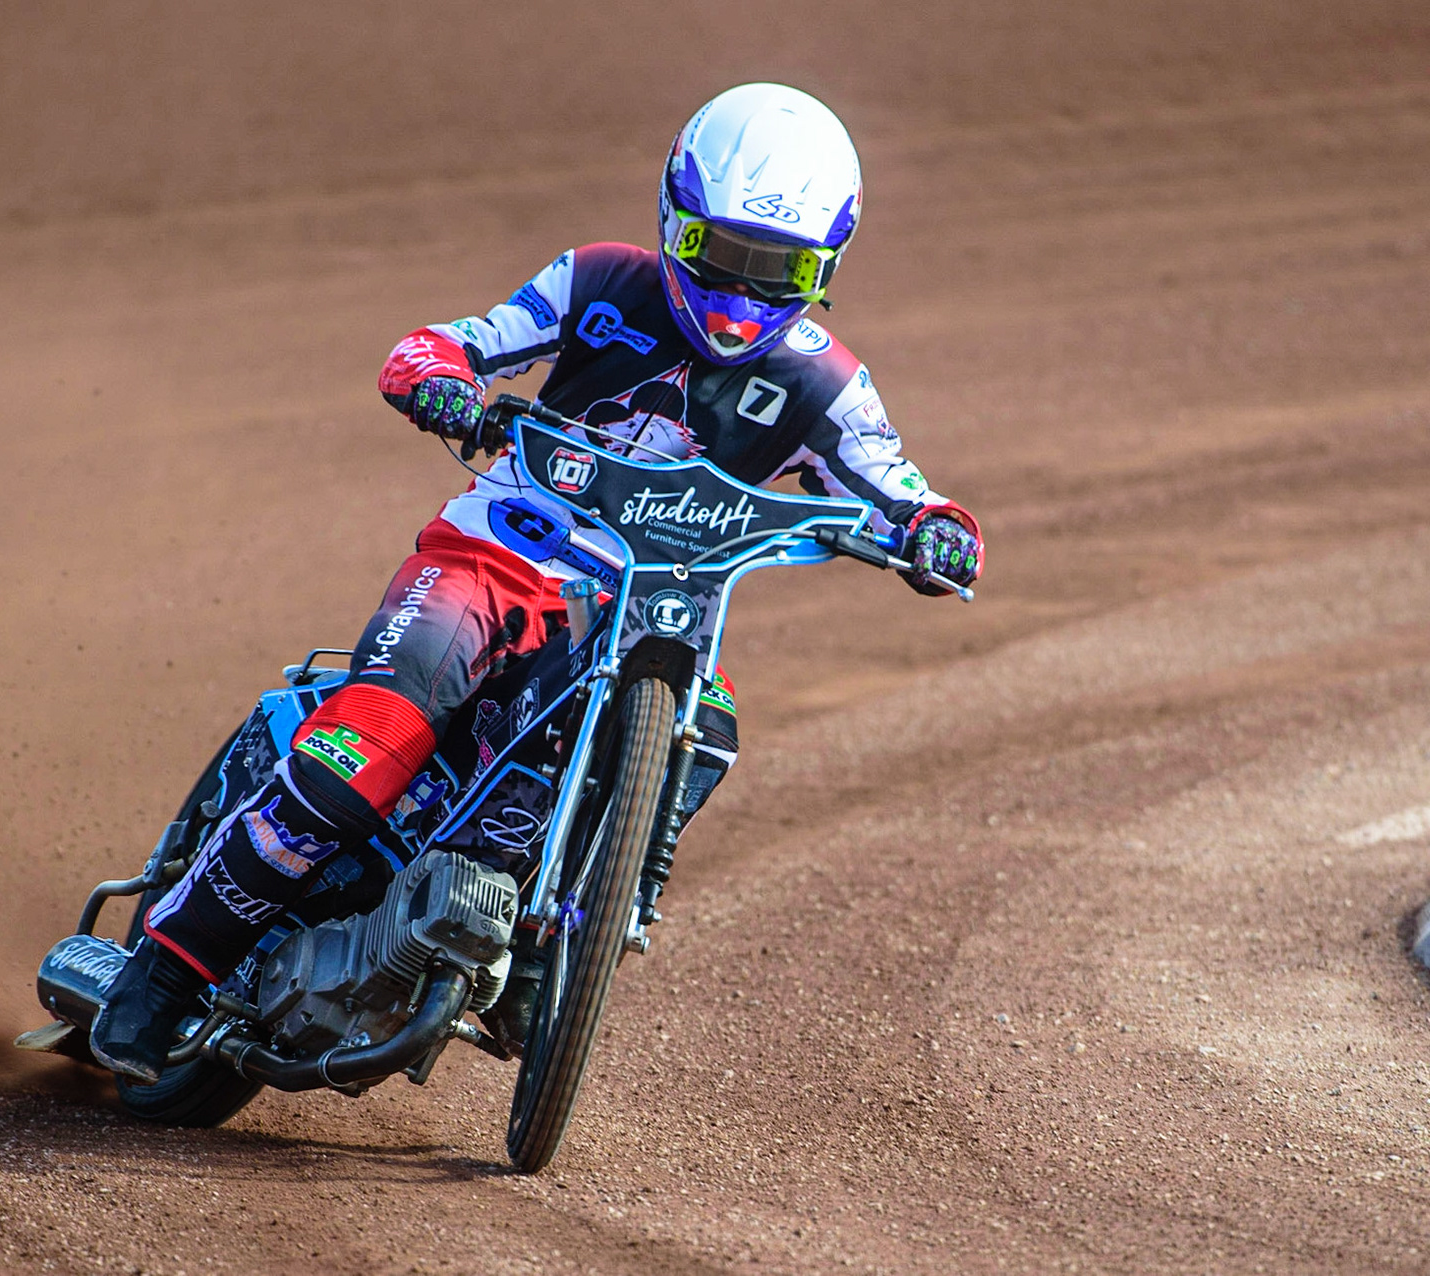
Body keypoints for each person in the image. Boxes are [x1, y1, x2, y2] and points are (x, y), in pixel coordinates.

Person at [92, 82, 982, 1082]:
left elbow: (897, 484)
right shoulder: (600, 281)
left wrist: (936, 531)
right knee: (369, 742)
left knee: (713, 726)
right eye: (722, 258)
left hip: (652, 613)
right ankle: (163, 969)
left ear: (829, 265)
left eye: (780, 271)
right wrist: (441, 379)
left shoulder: (828, 382)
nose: (739, 298)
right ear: (676, 222)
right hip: (494, 559)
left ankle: (564, 937)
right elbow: (448, 345)